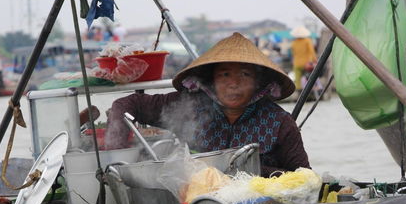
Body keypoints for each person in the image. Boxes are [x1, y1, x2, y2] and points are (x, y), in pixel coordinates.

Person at [93, 32, 310, 177]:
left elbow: (305, 180)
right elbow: (127, 104)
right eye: (224, 74)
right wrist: (116, 156)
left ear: (258, 83)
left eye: (244, 75)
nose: (233, 83)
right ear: (212, 81)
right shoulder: (189, 106)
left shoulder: (280, 123)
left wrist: (247, 172)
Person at [290, 26, 317, 92]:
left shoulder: (293, 43)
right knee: (309, 77)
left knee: (298, 80)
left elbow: (293, 53)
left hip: (297, 64)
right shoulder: (307, 41)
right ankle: (311, 90)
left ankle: (299, 92)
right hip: (306, 63)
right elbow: (312, 51)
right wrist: (315, 60)